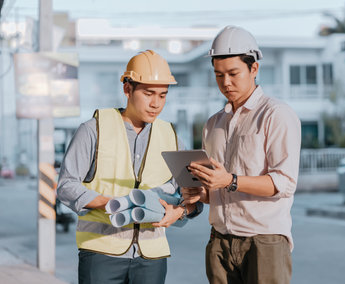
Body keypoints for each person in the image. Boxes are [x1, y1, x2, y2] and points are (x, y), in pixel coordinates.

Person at [57, 50, 201, 284]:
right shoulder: (94, 129)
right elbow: (66, 185)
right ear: (127, 89)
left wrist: (180, 212)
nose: (156, 103)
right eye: (148, 93)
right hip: (101, 253)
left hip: (151, 257)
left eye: (163, 95)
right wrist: (111, 204)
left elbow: (192, 195)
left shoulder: (171, 136)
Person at [183, 25, 301, 284]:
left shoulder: (276, 115)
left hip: (264, 241)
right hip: (219, 242)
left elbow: (284, 183)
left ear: (254, 69)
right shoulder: (213, 123)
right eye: (218, 75)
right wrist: (200, 193)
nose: (225, 82)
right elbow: (219, 188)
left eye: (233, 73)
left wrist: (230, 181)